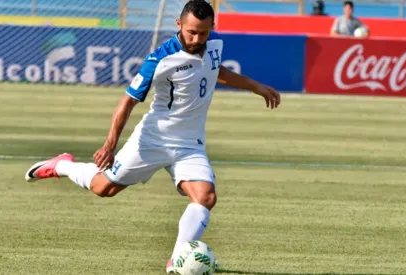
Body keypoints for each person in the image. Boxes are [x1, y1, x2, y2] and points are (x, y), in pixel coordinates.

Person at [24, 0, 280, 273]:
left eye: (203, 33)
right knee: (104, 188)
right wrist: (110, 145)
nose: (196, 39)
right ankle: (61, 165)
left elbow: (216, 70)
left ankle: (175, 262)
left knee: (205, 197)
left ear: (212, 29)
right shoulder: (160, 59)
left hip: (190, 144)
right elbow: (127, 102)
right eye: (191, 31)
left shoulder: (214, 46)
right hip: (151, 140)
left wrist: (255, 86)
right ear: (178, 25)